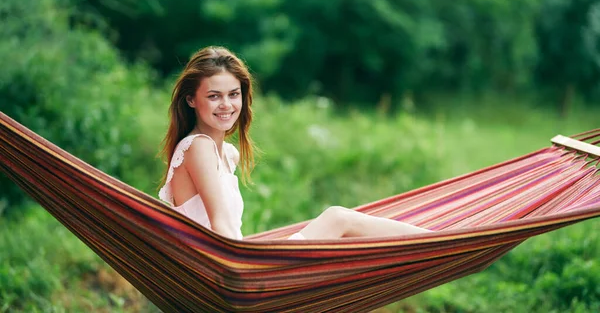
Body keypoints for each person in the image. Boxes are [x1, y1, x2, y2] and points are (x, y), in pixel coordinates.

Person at [158, 46, 431, 240]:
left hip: (239, 262)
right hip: (233, 272)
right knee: (338, 218)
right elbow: (220, 226)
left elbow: (230, 230)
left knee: (345, 236)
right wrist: (244, 265)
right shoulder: (198, 146)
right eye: (214, 96)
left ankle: (439, 243)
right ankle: (440, 242)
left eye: (233, 94)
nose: (226, 105)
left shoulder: (227, 153)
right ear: (191, 100)